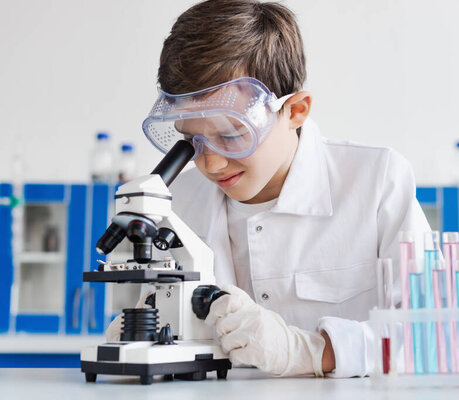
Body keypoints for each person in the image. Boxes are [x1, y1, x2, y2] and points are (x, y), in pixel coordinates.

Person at [108, 0, 431, 378]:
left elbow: (430, 333)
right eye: (192, 142)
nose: (211, 164)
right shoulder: (178, 202)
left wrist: (312, 352)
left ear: (295, 110)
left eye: (231, 135)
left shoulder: (376, 181)